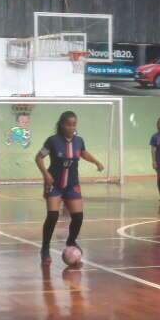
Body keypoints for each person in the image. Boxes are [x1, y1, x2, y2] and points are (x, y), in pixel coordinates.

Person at [35, 111, 104, 264]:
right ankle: (45, 249)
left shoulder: (79, 141)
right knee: (53, 216)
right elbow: (38, 157)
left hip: (72, 184)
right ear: (62, 125)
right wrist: (46, 175)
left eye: (74, 124)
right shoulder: (52, 141)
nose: (71, 127)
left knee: (78, 217)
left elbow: (84, 153)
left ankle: (71, 241)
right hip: (55, 185)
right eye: (68, 124)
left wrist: (97, 162)